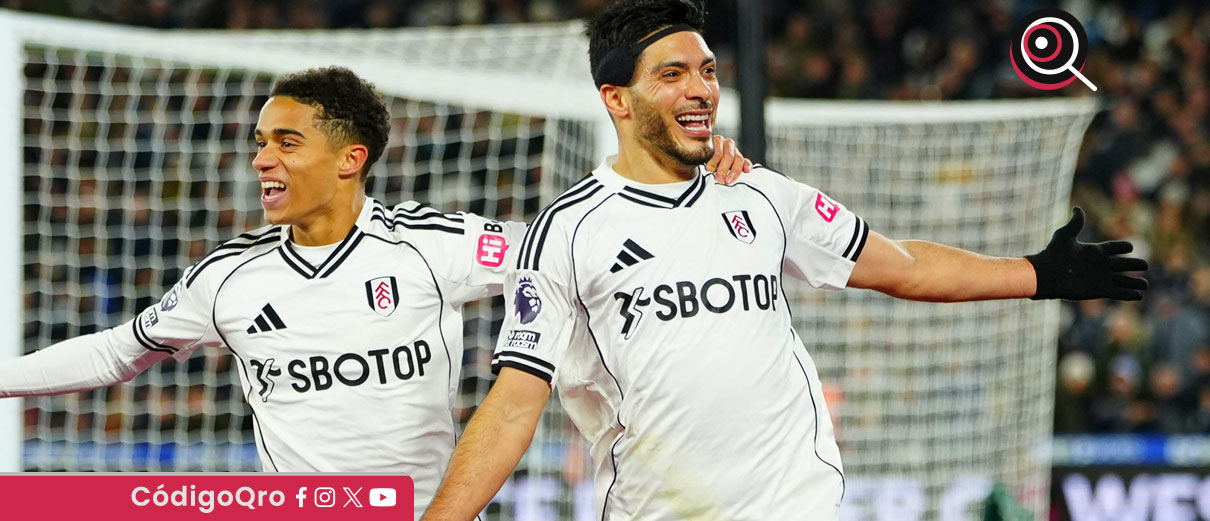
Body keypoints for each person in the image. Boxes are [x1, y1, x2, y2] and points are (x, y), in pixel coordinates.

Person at [419, 1, 1150, 520]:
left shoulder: (761, 194)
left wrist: (1036, 273)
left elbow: (901, 266)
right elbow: (515, 402)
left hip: (799, 505)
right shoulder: (566, 232)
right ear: (616, 98)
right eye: (672, 74)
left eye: (706, 69)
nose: (702, 88)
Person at [0, 65, 751, 519]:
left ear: (349, 157)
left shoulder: (430, 246)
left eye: (285, 142)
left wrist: (690, 180)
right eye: (260, 141)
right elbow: (115, 352)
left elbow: (578, 245)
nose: (262, 158)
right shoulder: (226, 278)